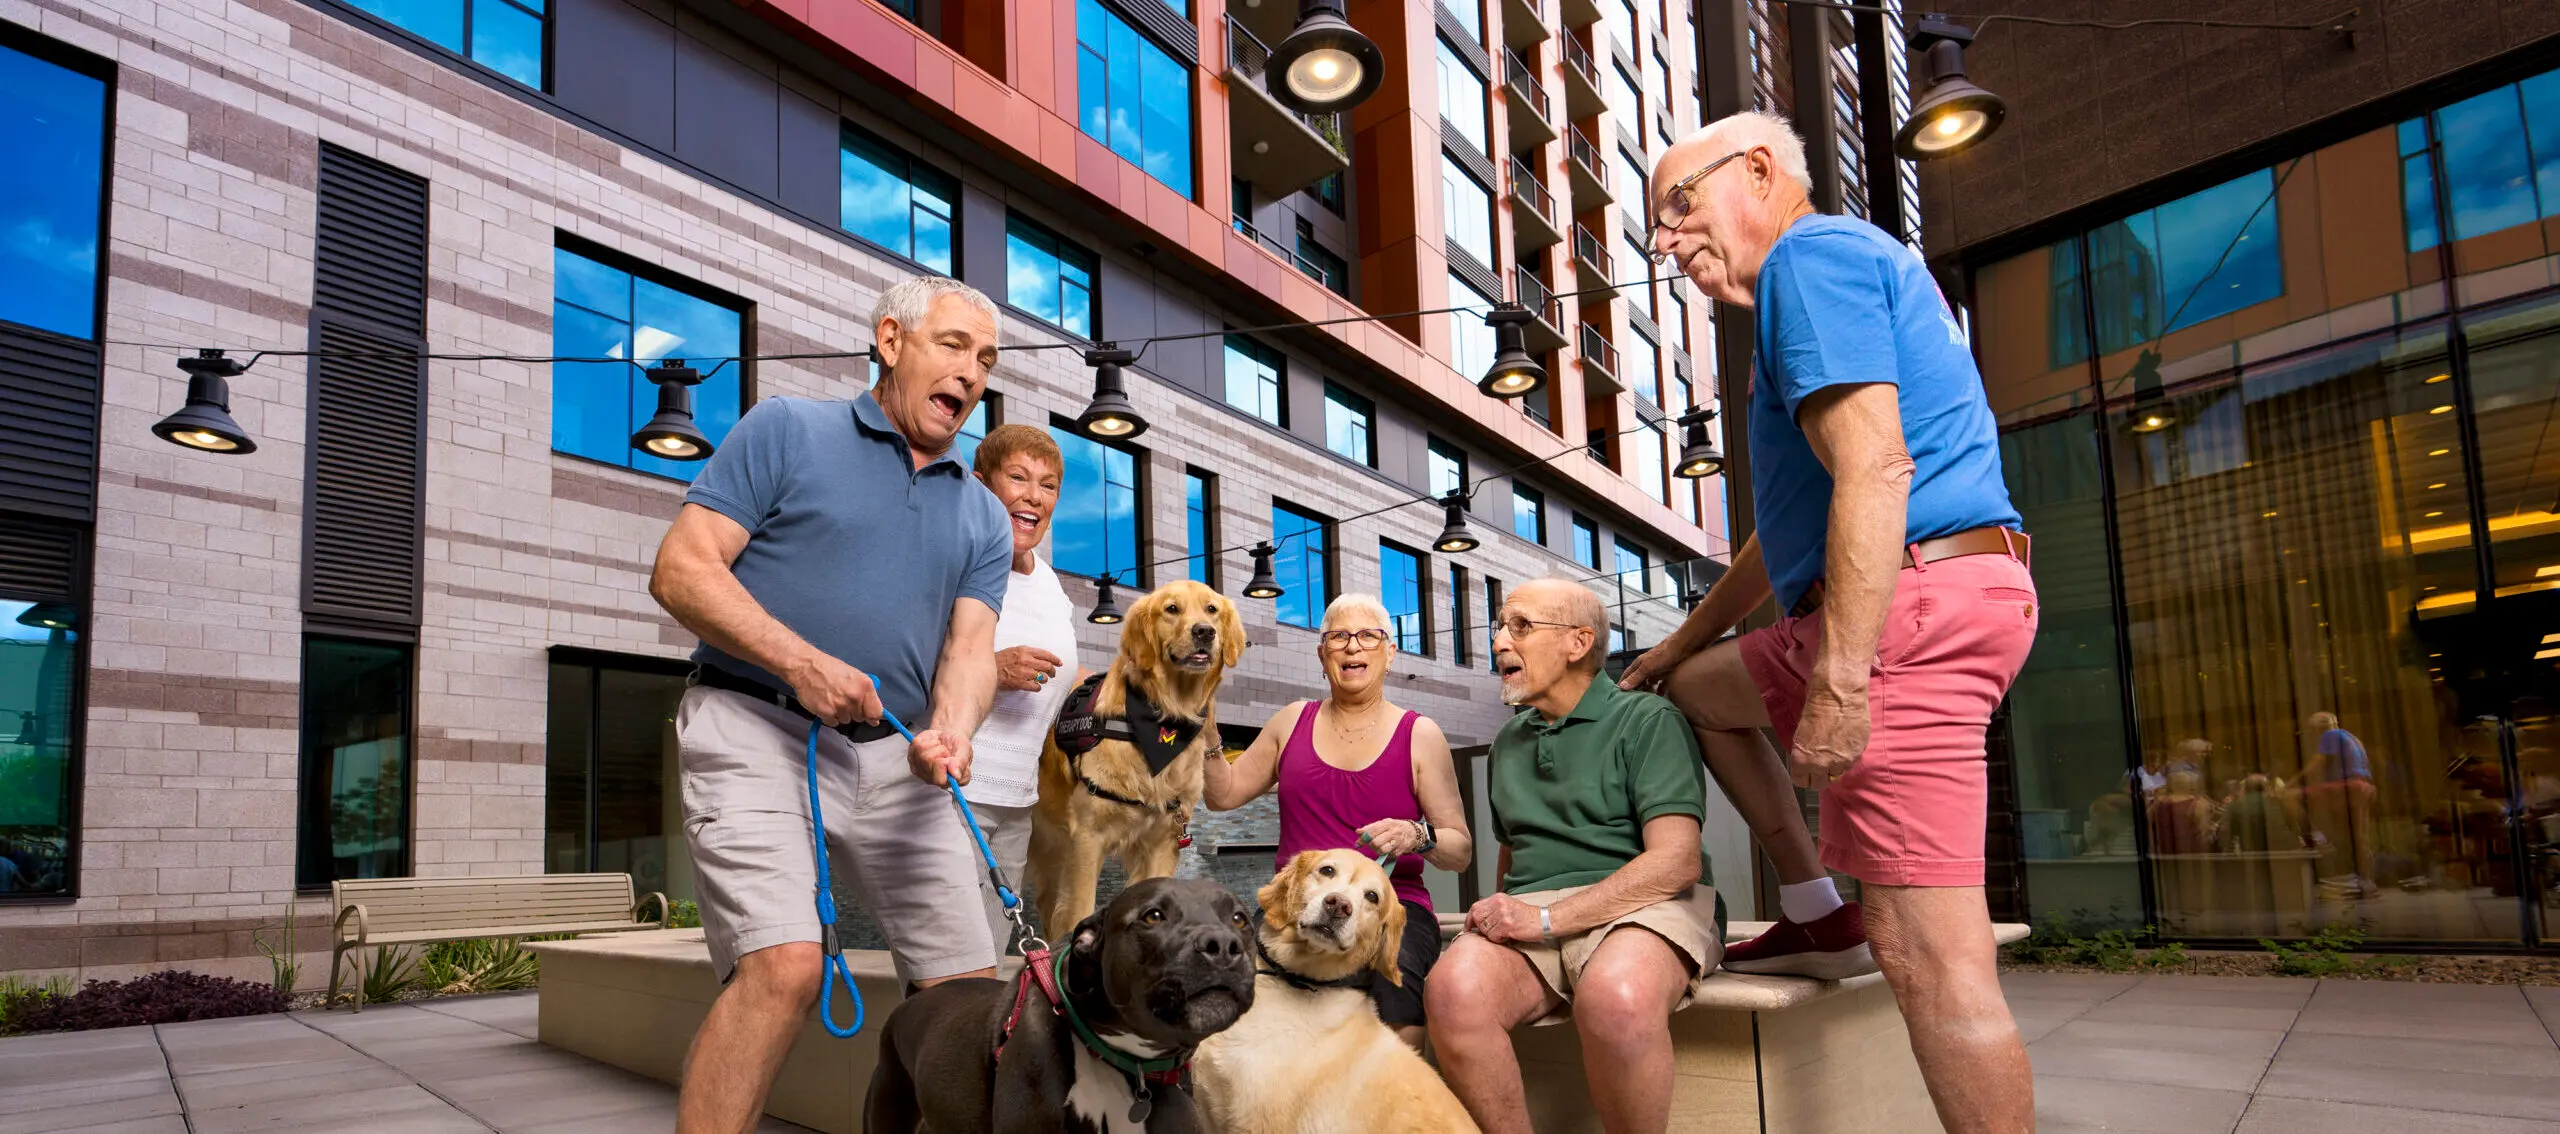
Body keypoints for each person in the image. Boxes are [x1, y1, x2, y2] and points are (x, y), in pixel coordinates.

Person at [1623, 111, 2038, 1132]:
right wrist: (1677, 647)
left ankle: (1851, 921)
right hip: (1905, 588)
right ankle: (1817, 911)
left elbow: (1877, 468)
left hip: (1903, 609)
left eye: (1679, 206)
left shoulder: (1809, 260)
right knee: (1700, 690)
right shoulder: (1825, 282)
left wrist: (1843, 679)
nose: (1667, 242)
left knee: (1932, 958)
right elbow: (1789, 536)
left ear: (1758, 171)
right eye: (1656, 228)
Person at [650, 275, 1011, 1133]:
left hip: (898, 762)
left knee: (971, 1001)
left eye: (987, 361)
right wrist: (800, 662)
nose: (971, 373)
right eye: (954, 346)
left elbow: (969, 651)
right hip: (753, 723)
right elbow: (682, 568)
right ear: (891, 341)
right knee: (784, 969)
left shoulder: (985, 515)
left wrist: (952, 730)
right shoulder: (786, 430)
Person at [1426, 579, 1723, 1134]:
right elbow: (1514, 858)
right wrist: (1507, 908)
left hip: (1646, 904)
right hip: (1538, 907)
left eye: (1520, 627)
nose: (1498, 644)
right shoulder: (1508, 743)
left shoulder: (1647, 720)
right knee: (1451, 989)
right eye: (1499, 628)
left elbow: (1676, 863)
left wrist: (1544, 920)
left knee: (1616, 994)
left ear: (1578, 642)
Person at [1203, 593, 1474, 1050]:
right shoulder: (1291, 721)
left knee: (1396, 983)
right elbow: (1221, 795)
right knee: (1226, 980)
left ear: (1390, 653)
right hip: (1295, 902)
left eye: (1369, 636)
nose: (1353, 647)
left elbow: (1460, 851)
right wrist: (1206, 727)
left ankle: (1387, 1104)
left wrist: (1417, 835)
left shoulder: (1420, 734)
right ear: (1321, 653)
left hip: (1389, 906)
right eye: (1339, 637)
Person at [963, 424, 1086, 951]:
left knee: (990, 962)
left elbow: (1068, 678)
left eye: (1049, 484)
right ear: (979, 484)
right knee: (951, 966)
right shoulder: (953, 562)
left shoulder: (1050, 584)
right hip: (953, 797)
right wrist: (993, 669)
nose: (1034, 496)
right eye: (1017, 478)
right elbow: (901, 672)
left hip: (1018, 803)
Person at [2301, 710, 2378, 896]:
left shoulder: (2329, 735)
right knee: (2360, 837)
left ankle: (2318, 841)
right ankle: (2366, 879)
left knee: (2295, 798)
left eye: (2311, 730)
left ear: (2318, 728)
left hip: (2347, 787)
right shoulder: (2352, 737)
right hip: (2364, 786)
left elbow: (2317, 763)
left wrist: (2292, 781)